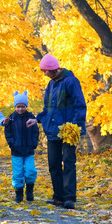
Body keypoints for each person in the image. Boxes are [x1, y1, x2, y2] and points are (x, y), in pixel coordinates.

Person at [26, 54, 87, 209]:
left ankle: (69, 198)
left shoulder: (71, 81)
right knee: (53, 163)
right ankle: (58, 197)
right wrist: (37, 119)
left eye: (45, 71)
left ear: (53, 69)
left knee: (68, 162)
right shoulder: (51, 85)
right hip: (53, 130)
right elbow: (48, 109)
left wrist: (74, 126)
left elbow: (80, 106)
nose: (44, 74)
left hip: (68, 130)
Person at [4, 91, 40, 203]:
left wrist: (34, 143)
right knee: (18, 173)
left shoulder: (31, 117)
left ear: (26, 106)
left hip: (29, 150)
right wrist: (12, 144)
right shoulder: (11, 118)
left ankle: (29, 190)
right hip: (16, 151)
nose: (20, 109)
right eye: (18, 107)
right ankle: (19, 193)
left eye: (23, 106)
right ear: (15, 106)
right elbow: (8, 132)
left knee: (30, 171)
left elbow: (35, 131)